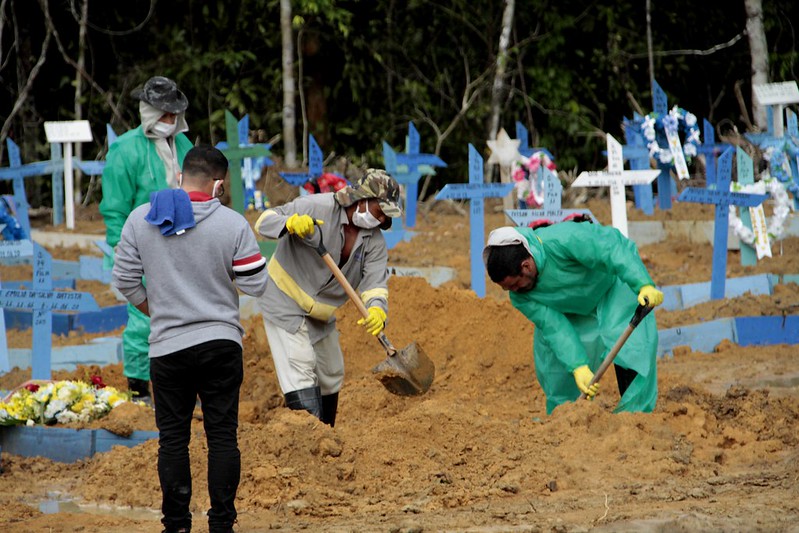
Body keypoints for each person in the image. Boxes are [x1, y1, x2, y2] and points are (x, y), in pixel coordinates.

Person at [112, 145, 267, 533]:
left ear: (180, 177)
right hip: (221, 343)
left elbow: (124, 280)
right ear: (219, 185)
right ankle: (221, 525)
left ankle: (177, 525)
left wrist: (156, 309)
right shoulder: (232, 224)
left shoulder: (141, 219)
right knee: (222, 437)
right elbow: (256, 283)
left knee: (173, 441)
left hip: (168, 348)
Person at [254, 169, 402, 427]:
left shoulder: (374, 242)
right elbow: (264, 221)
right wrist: (289, 224)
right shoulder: (317, 206)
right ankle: (308, 441)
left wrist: (377, 309)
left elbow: (375, 283)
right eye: (379, 210)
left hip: (320, 314)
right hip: (283, 298)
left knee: (331, 371)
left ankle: (325, 435)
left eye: (385, 215)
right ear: (361, 198)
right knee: (300, 365)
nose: (380, 219)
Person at [482, 222, 664, 415]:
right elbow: (554, 327)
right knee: (554, 363)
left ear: (526, 266)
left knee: (632, 348)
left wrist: (643, 283)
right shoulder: (519, 296)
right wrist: (578, 366)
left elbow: (611, 249)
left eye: (515, 284)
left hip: (610, 289)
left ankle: (635, 415)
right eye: (506, 288)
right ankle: (565, 418)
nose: (514, 291)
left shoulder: (563, 239)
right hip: (571, 308)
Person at [100, 75, 194, 401]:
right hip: (141, 243)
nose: (170, 121)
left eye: (174, 115)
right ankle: (138, 389)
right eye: (164, 114)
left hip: (183, 241)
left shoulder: (184, 145)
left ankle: (183, 384)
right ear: (149, 112)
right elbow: (114, 206)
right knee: (144, 316)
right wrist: (119, 246)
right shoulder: (125, 150)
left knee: (187, 311)